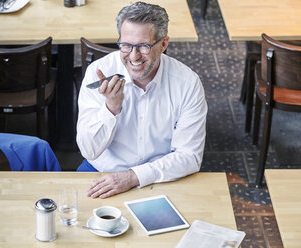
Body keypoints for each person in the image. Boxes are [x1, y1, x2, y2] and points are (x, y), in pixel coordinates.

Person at [76, 1, 207, 199]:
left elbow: (190, 156)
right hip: (102, 174)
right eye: (126, 46)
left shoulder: (187, 83)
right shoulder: (98, 73)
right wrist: (111, 108)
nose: (134, 56)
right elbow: (89, 150)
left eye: (144, 46)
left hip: (162, 176)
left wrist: (133, 177)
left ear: (163, 44)